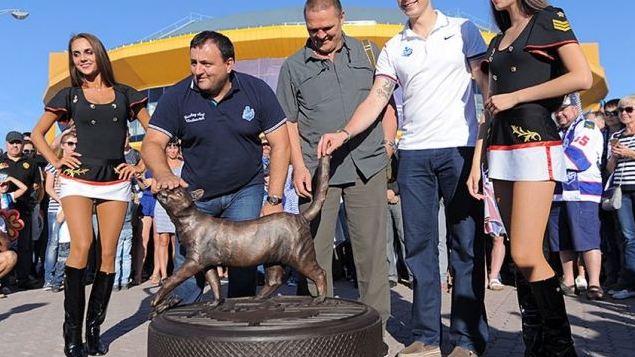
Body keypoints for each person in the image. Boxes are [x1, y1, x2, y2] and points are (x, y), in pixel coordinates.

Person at [318, 0, 490, 355]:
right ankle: (426, 336)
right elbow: (376, 100)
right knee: (419, 250)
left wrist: (483, 145)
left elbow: (486, 87)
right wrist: (344, 133)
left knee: (465, 247)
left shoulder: (463, 30)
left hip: (460, 150)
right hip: (414, 155)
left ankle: (467, 339)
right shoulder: (395, 47)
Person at [469, 1, 592, 355]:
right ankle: (536, 344)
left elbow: (581, 77)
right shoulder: (495, 42)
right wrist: (478, 161)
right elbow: (488, 108)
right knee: (521, 255)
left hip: (535, 143)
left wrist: (517, 96)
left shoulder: (549, 18)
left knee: (524, 253)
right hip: (500, 149)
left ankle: (560, 347)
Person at [142, 30, 290, 303]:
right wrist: (163, 173)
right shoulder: (177, 95)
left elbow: (281, 143)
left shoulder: (256, 90)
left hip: (246, 188)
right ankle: (180, 320)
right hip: (197, 194)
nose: (198, 71)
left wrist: (275, 198)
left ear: (229, 63)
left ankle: (240, 317)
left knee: (244, 259)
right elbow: (151, 142)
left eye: (206, 64)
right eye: (194, 63)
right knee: (190, 262)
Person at [276, 1, 394, 341]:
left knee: (371, 253)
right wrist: (297, 166)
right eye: (313, 28)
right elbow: (289, 124)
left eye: (327, 27)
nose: (320, 34)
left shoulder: (370, 53)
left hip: (366, 165)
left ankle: (375, 328)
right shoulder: (293, 66)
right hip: (317, 173)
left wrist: (388, 146)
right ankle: (319, 324)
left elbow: (386, 104)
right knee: (313, 253)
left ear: (342, 18)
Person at [30, 33, 150, 357]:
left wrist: (140, 168)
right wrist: (56, 161)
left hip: (115, 180)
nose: (82, 58)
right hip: (78, 179)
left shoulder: (126, 95)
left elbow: (154, 134)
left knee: (108, 254)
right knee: (81, 246)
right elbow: (37, 134)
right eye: (75, 54)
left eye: (87, 52)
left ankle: (94, 329)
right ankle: (72, 334)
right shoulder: (68, 95)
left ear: (99, 54)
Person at [548, 93, 604, 300]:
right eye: (556, 110)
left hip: (582, 192)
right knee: (561, 239)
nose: (559, 114)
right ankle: (569, 280)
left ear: (575, 108)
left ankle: (595, 283)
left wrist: (544, 159)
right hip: (558, 193)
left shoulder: (587, 127)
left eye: (563, 109)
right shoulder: (557, 132)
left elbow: (577, 157)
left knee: (588, 239)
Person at [0, 131, 42, 290]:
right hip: (2, 211)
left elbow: (37, 186)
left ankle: (23, 279)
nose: (15, 145)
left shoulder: (30, 163)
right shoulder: (0, 160)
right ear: (6, 144)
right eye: (12, 143)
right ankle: (5, 280)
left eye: (18, 142)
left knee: (24, 247)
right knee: (3, 246)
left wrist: (35, 203)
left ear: (22, 144)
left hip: (23, 210)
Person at [606, 94, 635, 300]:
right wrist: (615, 156)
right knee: (628, 238)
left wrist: (630, 153)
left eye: (629, 110)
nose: (623, 114)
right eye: (620, 111)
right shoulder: (618, 137)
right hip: (622, 191)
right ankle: (631, 283)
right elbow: (609, 169)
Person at [43, 132, 77, 291]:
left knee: (67, 244)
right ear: (63, 145)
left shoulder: (77, 164)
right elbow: (48, 188)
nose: (73, 147)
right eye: (69, 143)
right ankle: (48, 279)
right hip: (55, 208)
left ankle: (60, 276)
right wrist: (62, 200)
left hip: (72, 209)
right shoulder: (53, 164)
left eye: (75, 144)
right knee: (53, 244)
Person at [150, 138, 183, 285]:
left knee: (177, 240)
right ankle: (164, 275)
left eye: (175, 147)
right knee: (163, 239)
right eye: (170, 147)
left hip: (177, 206)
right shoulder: (160, 166)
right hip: (163, 206)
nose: (172, 150)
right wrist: (163, 185)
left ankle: (177, 273)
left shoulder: (184, 165)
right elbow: (153, 188)